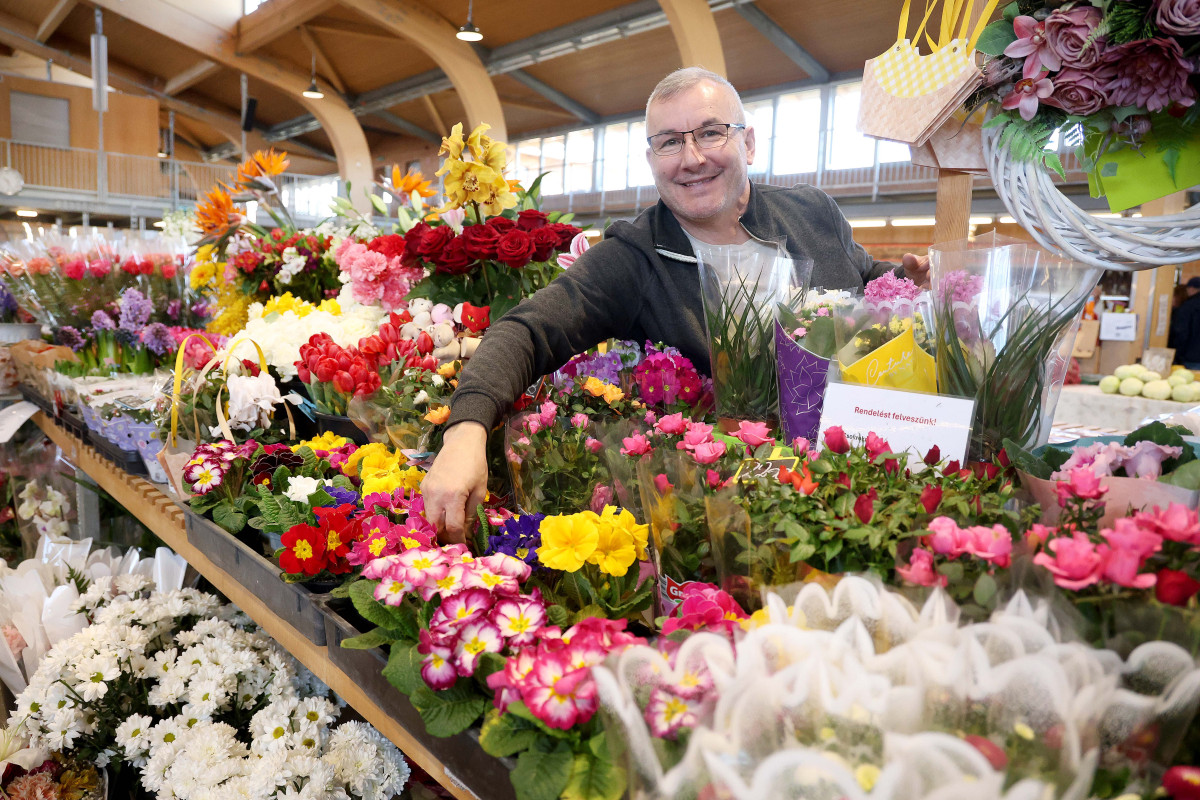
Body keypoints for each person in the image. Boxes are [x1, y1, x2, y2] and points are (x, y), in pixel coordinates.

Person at [422, 67, 931, 541]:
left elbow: (863, 280)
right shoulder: (635, 255)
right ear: (652, 161)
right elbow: (527, 331)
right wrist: (465, 432)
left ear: (748, 143)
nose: (692, 158)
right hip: (732, 510)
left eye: (711, 132)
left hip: (867, 471)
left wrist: (905, 282)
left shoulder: (813, 212)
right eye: (670, 142)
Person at [1169, 276, 1200, 369]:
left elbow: (1182, 333)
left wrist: (1178, 356)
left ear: (1191, 288)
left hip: (1190, 357)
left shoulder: (1188, 307)